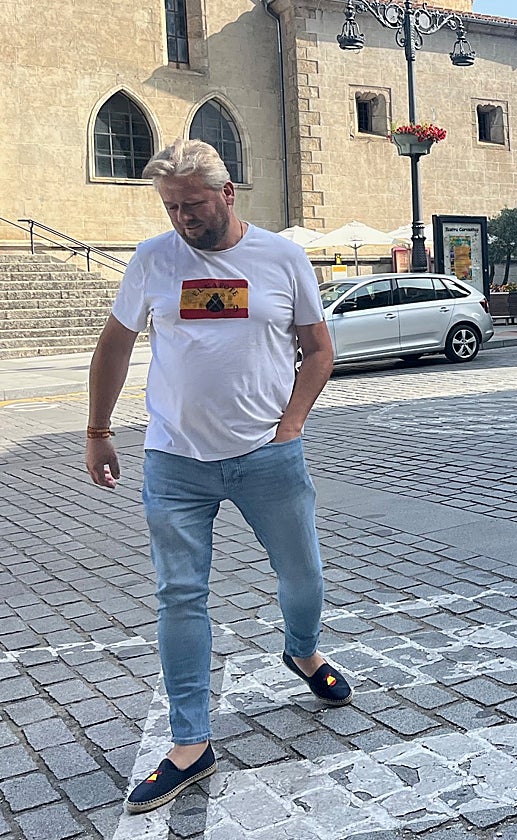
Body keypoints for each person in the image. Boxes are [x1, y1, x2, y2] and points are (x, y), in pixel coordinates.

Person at [85, 138, 351, 814]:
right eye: (172, 208)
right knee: (179, 596)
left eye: (194, 206)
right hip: (175, 462)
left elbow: (318, 351)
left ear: (228, 194)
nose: (183, 220)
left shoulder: (283, 258)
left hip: (268, 455)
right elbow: (115, 345)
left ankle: (303, 651)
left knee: (303, 576)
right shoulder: (152, 259)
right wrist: (97, 431)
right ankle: (190, 743)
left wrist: (291, 425)